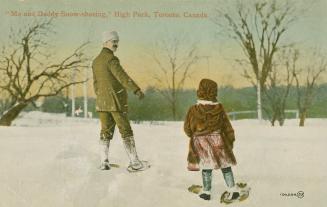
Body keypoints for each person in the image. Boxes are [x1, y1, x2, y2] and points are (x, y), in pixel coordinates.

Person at [92, 30, 147, 172]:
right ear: (105, 43)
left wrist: (101, 96)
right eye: (113, 41)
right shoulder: (111, 59)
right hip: (116, 101)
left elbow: (96, 83)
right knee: (125, 130)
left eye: (117, 41)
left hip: (102, 103)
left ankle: (104, 162)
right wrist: (136, 89)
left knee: (105, 131)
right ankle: (134, 162)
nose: (116, 44)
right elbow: (122, 76)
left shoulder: (96, 61)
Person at [184, 79, 240, 201]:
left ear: (200, 91)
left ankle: (206, 192)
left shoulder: (193, 110)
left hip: (201, 143)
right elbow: (227, 127)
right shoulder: (219, 108)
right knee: (225, 166)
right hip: (218, 141)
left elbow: (187, 129)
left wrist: (196, 136)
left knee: (206, 168)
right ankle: (232, 189)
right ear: (214, 92)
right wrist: (230, 141)